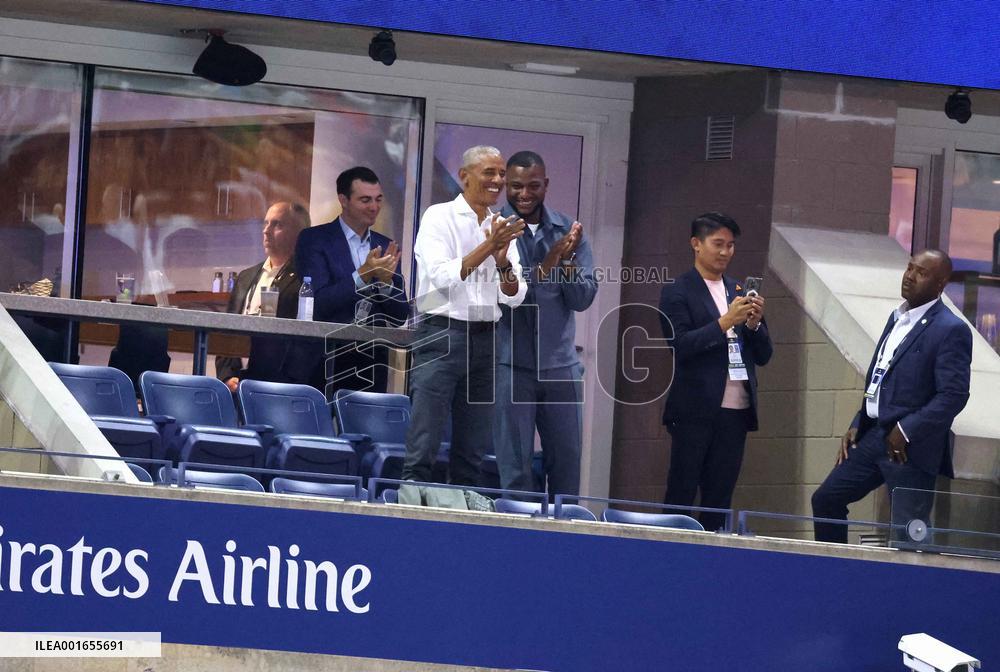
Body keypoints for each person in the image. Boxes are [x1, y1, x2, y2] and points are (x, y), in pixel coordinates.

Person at [811, 249, 971, 544]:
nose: (910, 276)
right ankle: (835, 577)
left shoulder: (951, 329)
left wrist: (907, 429)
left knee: (909, 534)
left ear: (940, 284)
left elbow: (954, 395)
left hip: (911, 446)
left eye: (921, 273)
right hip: (874, 434)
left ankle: (911, 589)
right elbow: (881, 378)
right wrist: (859, 420)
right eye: (909, 268)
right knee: (826, 500)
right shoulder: (896, 318)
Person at [403, 146, 527, 486]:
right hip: (441, 334)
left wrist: (502, 260)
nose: (498, 181)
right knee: (424, 441)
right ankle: (409, 510)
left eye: (502, 174)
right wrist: (490, 246)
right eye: (489, 172)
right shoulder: (438, 217)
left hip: (487, 339)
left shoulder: (500, 226)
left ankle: (464, 522)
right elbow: (443, 279)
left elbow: (514, 296)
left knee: (473, 446)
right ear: (464, 176)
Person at [658, 212, 772, 531]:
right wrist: (724, 322)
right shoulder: (678, 290)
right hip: (694, 408)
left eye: (731, 246)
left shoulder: (738, 289)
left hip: (735, 410)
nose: (725, 252)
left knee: (719, 496)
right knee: (681, 491)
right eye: (718, 244)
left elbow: (765, 354)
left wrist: (754, 323)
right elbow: (680, 345)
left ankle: (710, 560)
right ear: (696, 244)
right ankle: (669, 557)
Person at [494, 150, 598, 497]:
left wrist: (566, 262)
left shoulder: (569, 230)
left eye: (533, 186)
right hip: (510, 365)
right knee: (515, 471)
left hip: (561, 367)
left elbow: (583, 298)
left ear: (546, 185)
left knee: (567, 469)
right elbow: (513, 292)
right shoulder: (494, 229)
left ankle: (564, 545)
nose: (524, 194)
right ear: (505, 185)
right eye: (516, 186)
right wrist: (552, 258)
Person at [294, 166, 408, 395]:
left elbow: (399, 316)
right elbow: (318, 303)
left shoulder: (385, 245)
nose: (374, 207)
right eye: (365, 200)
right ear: (343, 200)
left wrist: (386, 285)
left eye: (378, 199)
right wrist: (363, 275)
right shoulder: (315, 239)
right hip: (324, 359)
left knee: (365, 430)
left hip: (370, 363)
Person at [216, 201, 311, 392]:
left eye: (277, 224)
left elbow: (307, 342)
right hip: (238, 385)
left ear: (299, 233)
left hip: (279, 387)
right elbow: (227, 331)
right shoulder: (246, 277)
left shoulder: (307, 279)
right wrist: (227, 376)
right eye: (266, 223)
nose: (266, 231)